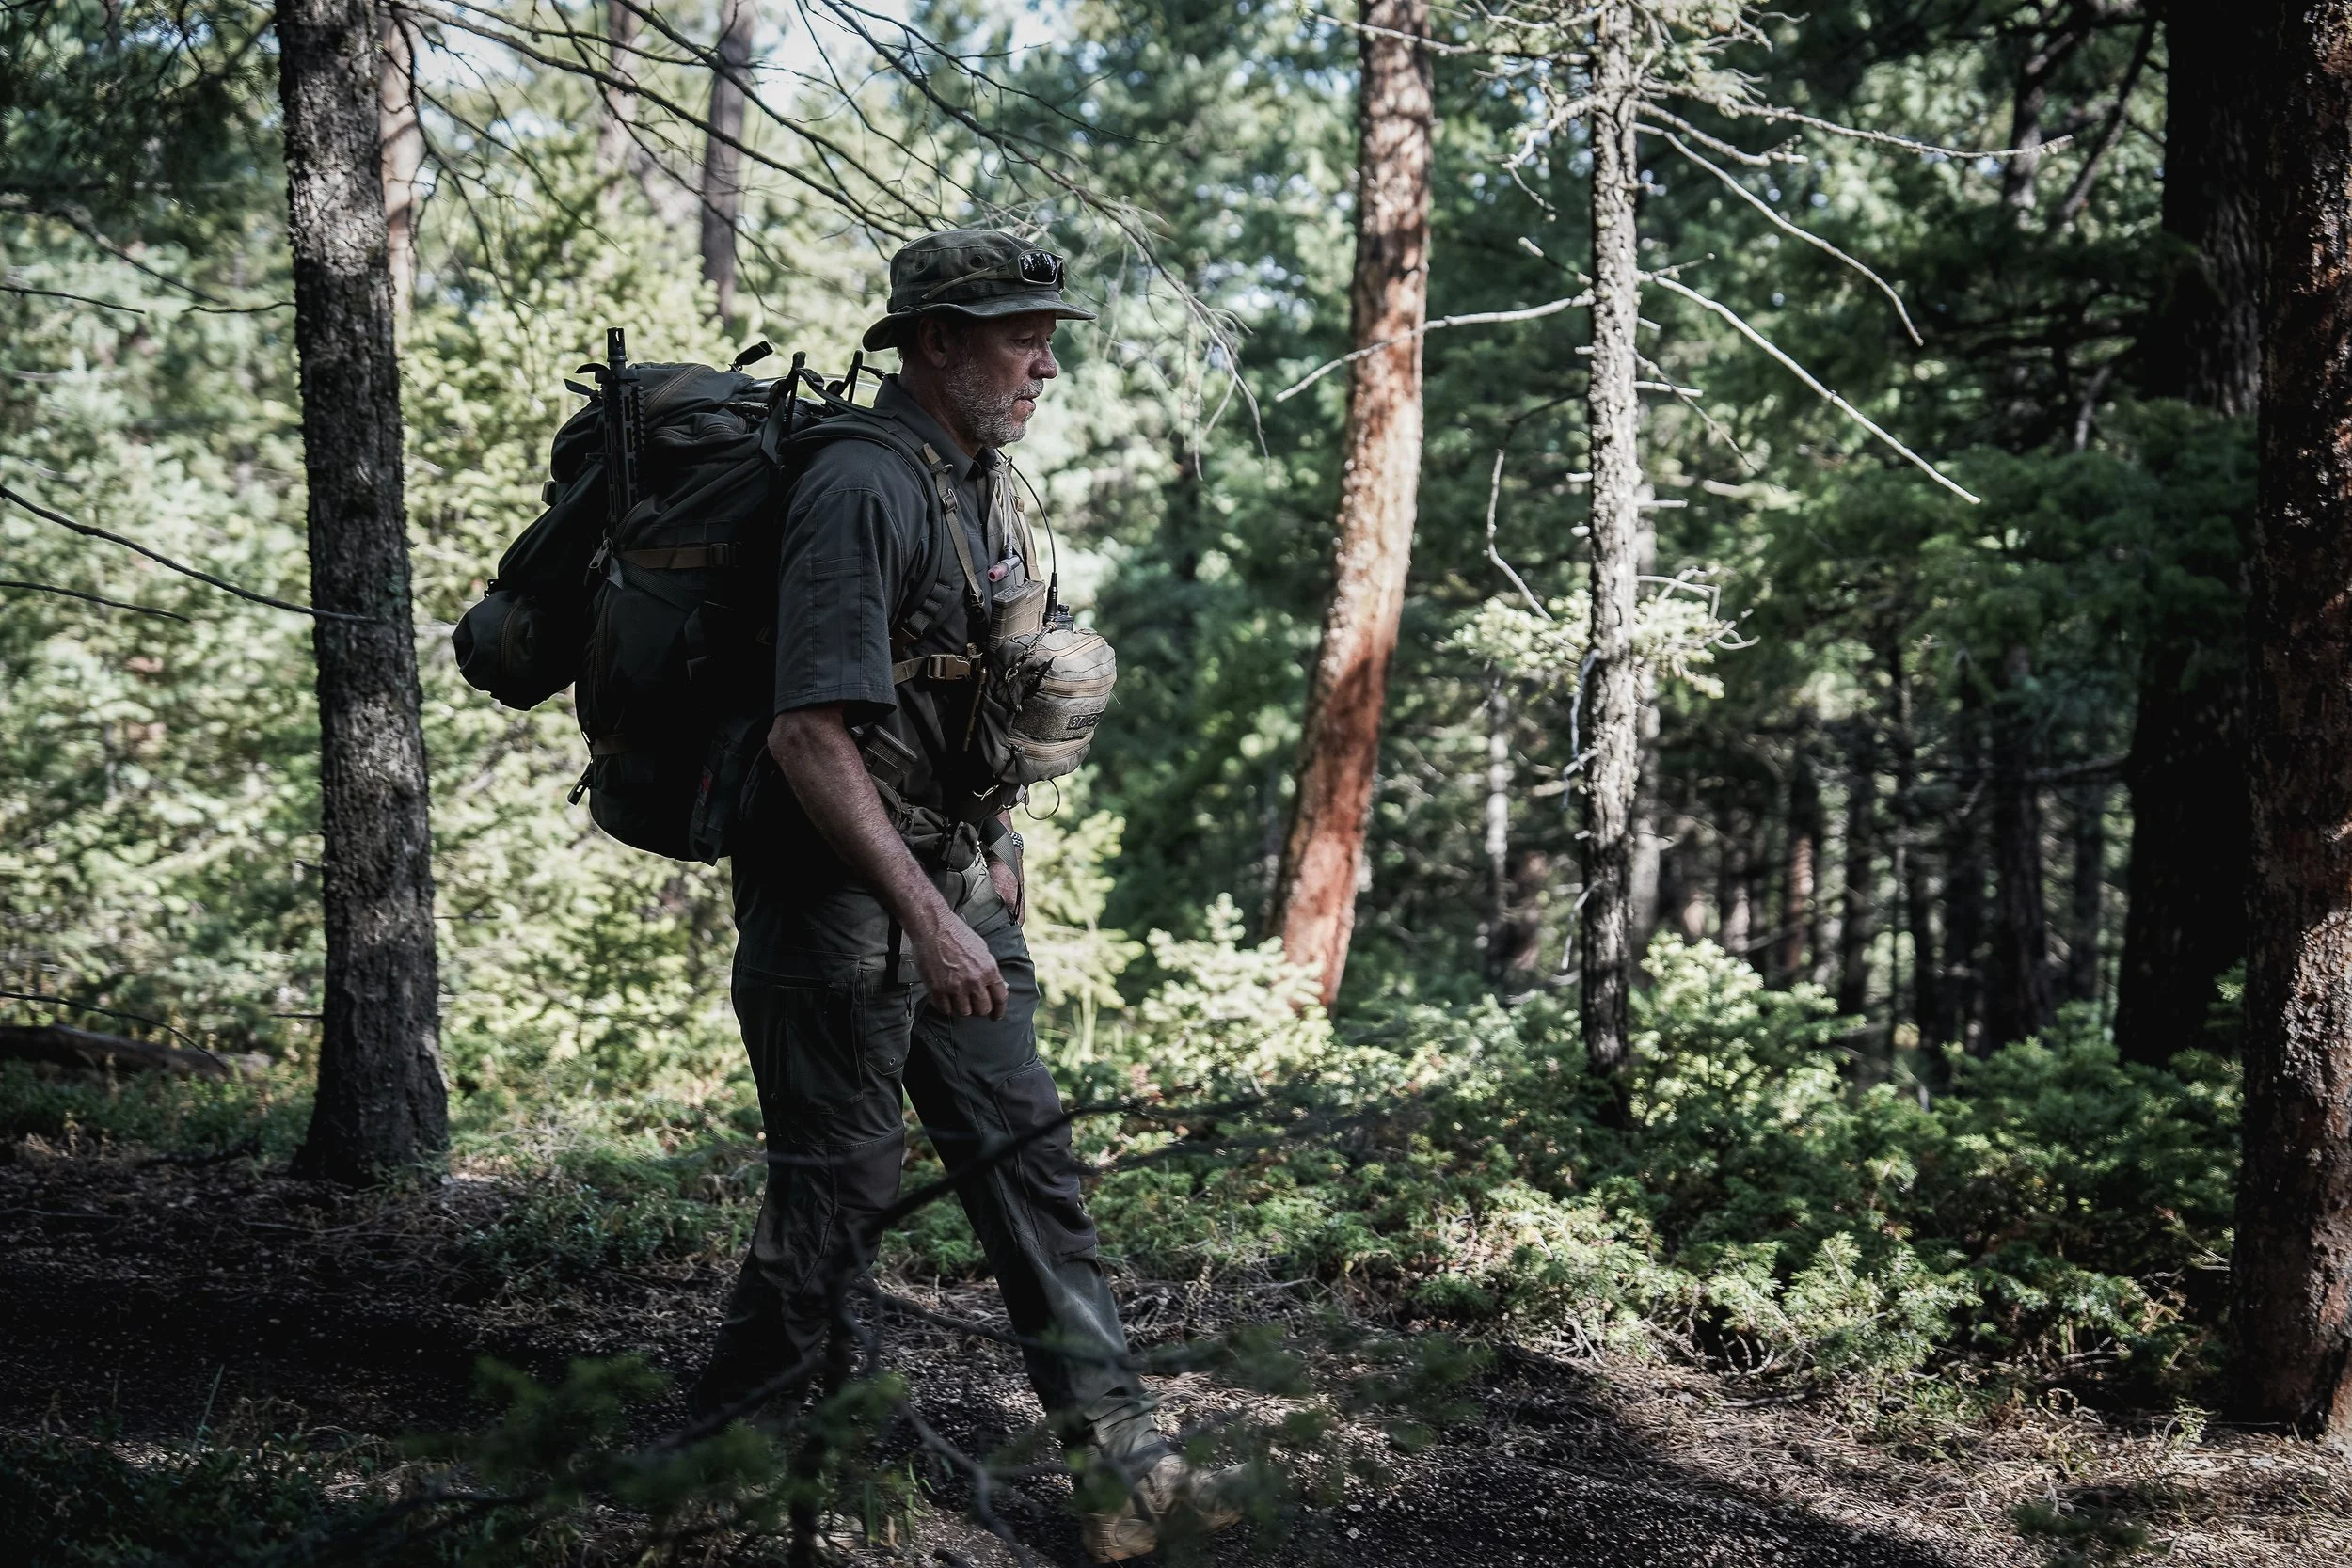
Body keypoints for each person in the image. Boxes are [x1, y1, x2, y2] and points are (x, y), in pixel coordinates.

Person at [691, 230, 1240, 1562]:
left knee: (1031, 1166)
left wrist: (983, 850)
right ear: (935, 341)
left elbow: (962, 684)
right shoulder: (861, 486)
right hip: (833, 910)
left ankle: (1128, 1479)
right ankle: (717, 1474)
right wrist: (930, 919)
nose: (1045, 360)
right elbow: (809, 736)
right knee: (837, 1196)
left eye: (1047, 332)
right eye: (1017, 333)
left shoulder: (975, 478)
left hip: (944, 880)